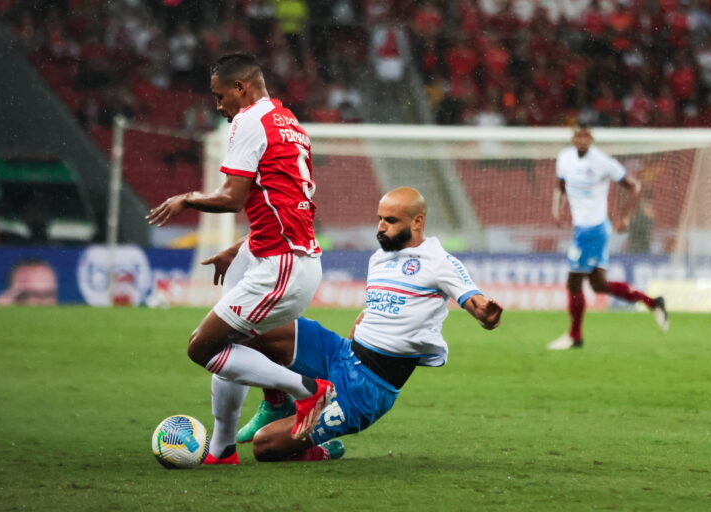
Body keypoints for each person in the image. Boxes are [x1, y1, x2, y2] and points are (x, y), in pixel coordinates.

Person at [206, 187, 503, 462]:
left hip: (369, 388)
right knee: (246, 328)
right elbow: (369, 313)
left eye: (390, 220)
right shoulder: (380, 258)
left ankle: (322, 446)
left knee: (265, 446)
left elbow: (475, 302)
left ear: (417, 222)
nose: (380, 227)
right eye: (379, 219)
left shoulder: (440, 262)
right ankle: (277, 402)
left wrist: (486, 315)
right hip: (342, 354)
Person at [146, 53, 329, 464]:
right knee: (227, 342)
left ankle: (307, 390)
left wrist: (186, 198)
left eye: (219, 95)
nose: (218, 105)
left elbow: (231, 198)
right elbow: (282, 199)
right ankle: (223, 448)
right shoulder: (289, 121)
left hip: (284, 264)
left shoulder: (249, 120)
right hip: (276, 253)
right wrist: (243, 246)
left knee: (203, 348)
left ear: (241, 88)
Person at [549, 124, 668, 350]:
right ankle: (654, 303)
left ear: (592, 138)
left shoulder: (603, 162)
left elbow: (634, 186)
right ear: (573, 138)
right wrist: (557, 208)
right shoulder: (564, 158)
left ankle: (575, 336)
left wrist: (625, 217)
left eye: (586, 135)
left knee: (573, 282)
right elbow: (561, 186)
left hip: (593, 230)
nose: (582, 139)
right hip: (582, 229)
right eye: (578, 135)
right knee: (599, 285)